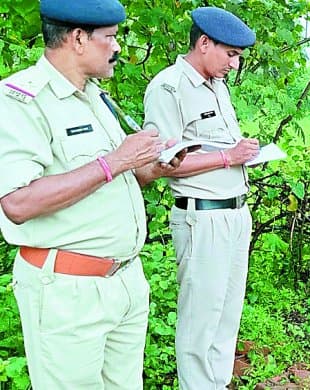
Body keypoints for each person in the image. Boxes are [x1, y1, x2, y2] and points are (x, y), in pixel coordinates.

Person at [0, 0, 184, 387]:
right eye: (111, 38)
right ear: (79, 39)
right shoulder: (21, 100)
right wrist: (115, 161)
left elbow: (111, 181)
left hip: (125, 282)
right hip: (68, 294)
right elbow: (16, 203)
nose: (117, 48)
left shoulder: (96, 97)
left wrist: (151, 168)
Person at [142, 6, 260, 389]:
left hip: (235, 212)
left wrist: (243, 154)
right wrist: (228, 157)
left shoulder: (217, 86)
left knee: (227, 312)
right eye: (230, 54)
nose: (234, 63)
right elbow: (163, 162)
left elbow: (215, 149)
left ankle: (218, 382)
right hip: (201, 217)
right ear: (204, 43)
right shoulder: (169, 87)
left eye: (238, 56)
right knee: (201, 318)